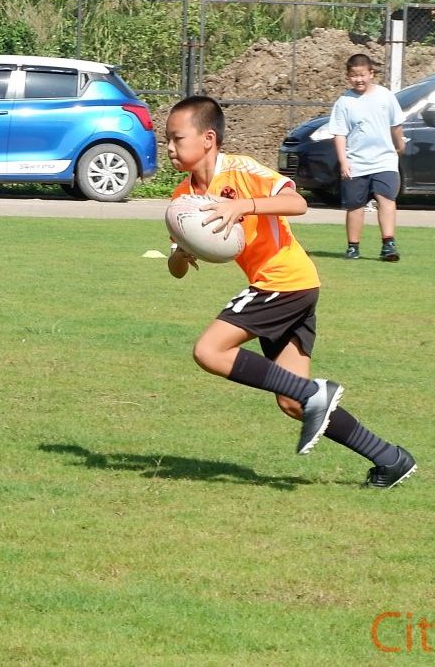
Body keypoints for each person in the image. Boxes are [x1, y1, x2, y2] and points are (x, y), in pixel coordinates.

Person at [164, 96, 416, 489]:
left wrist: (243, 206)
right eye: (168, 140)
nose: (170, 148)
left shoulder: (240, 170)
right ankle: (390, 458)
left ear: (208, 138)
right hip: (292, 287)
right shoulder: (183, 199)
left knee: (209, 351)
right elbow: (177, 270)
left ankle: (316, 392)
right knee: (293, 402)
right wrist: (182, 251)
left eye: (177, 139)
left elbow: (297, 202)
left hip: (281, 280)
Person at [328, 53, 406, 262]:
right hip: (356, 162)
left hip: (384, 160)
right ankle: (353, 247)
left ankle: (388, 244)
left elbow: (396, 125)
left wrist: (400, 145)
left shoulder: (385, 96)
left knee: (386, 199)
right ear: (348, 76)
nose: (359, 80)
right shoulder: (344, 102)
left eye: (363, 75)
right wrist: (343, 161)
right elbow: (339, 133)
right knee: (355, 205)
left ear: (371, 74)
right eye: (354, 76)